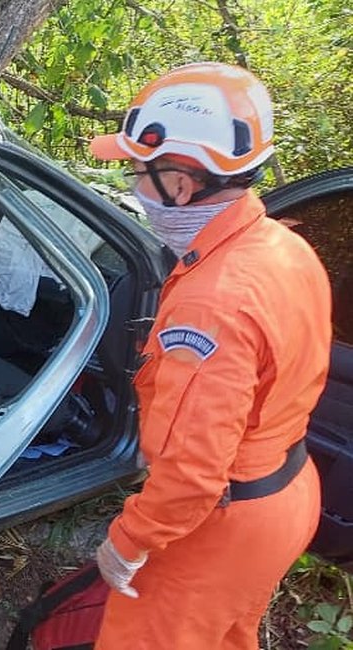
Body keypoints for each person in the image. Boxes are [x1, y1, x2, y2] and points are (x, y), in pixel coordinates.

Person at [88, 62, 331, 649]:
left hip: (218, 527)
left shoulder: (212, 305)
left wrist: (127, 539)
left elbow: (192, 475)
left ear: (180, 180)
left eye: (139, 173)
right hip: (290, 489)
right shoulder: (283, 246)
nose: (135, 190)